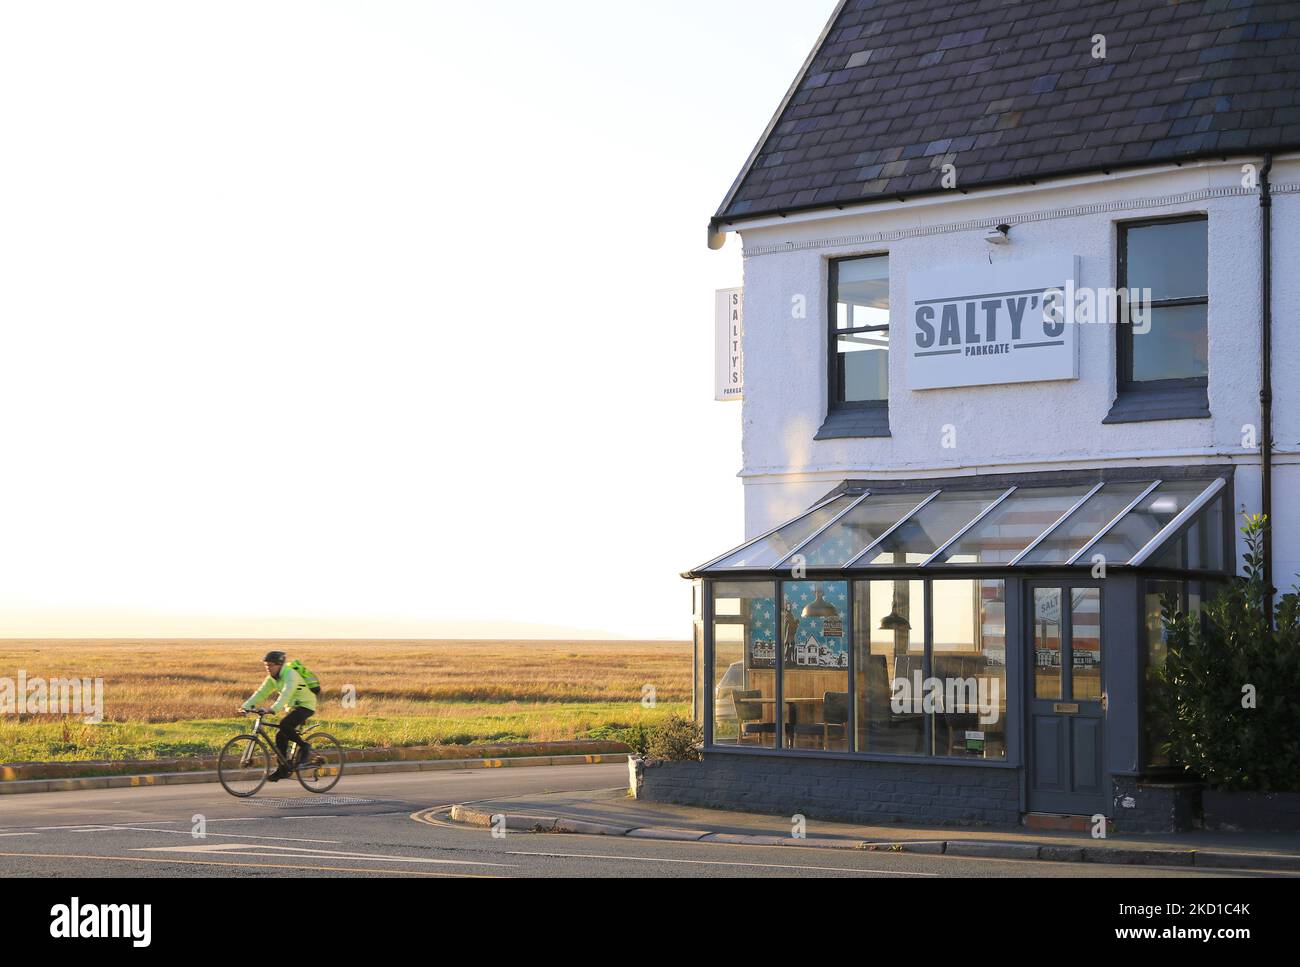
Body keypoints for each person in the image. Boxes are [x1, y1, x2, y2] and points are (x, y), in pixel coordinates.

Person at [239, 650, 317, 781]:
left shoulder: (290, 674)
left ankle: (304, 746)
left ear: (280, 665)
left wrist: (272, 709)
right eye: (266, 665)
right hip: (293, 706)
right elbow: (261, 693)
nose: (268, 668)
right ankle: (283, 769)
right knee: (280, 736)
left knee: (285, 724)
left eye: (271, 665)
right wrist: (245, 706)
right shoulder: (272, 678)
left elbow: (286, 693)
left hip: (306, 705)